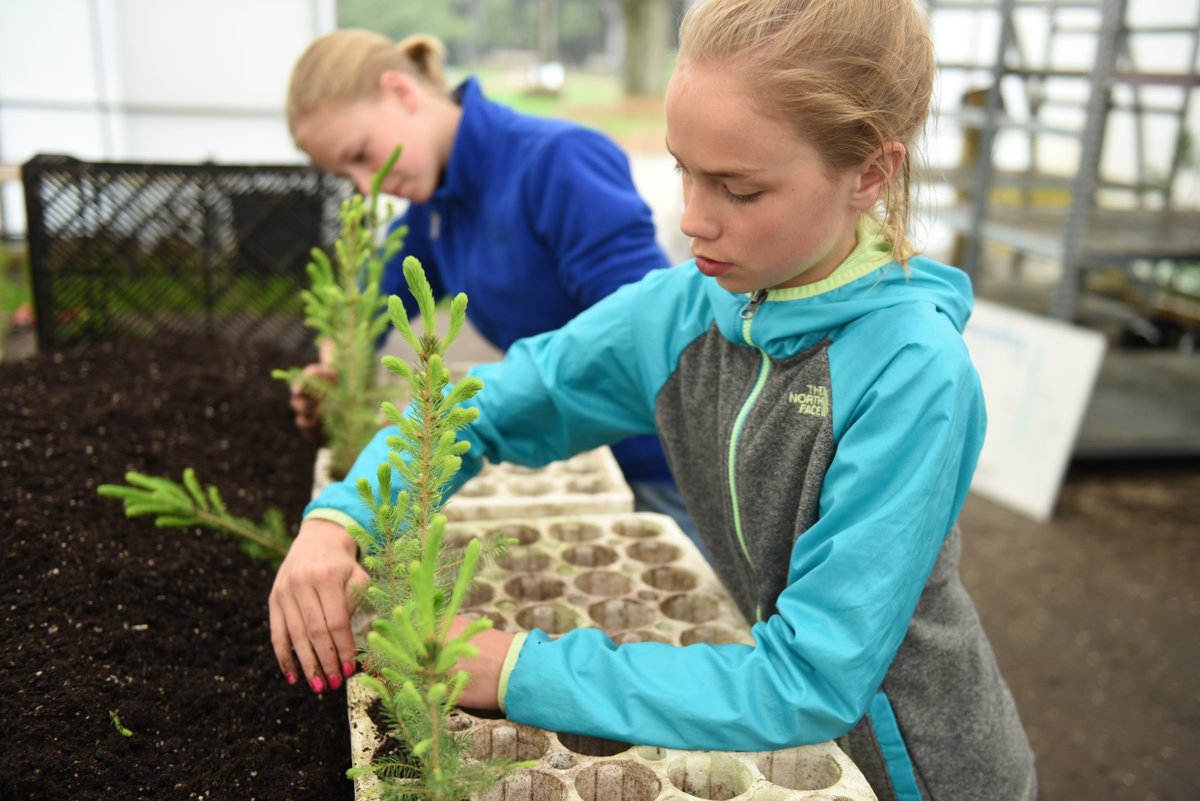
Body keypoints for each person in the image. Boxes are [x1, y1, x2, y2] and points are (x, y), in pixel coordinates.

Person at [269, 1, 1038, 799]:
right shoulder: (681, 312)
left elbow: (810, 680)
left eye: (738, 189)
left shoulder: (912, 373)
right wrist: (344, 514)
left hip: (923, 771)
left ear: (871, 174)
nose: (693, 220)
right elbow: (488, 404)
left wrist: (513, 666)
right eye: (684, 170)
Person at [283, 28, 698, 547]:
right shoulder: (437, 202)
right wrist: (332, 366)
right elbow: (371, 297)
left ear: (401, 93)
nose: (368, 186)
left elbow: (649, 332)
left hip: (658, 471)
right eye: (347, 175)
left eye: (363, 154)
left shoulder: (558, 162)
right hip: (560, 448)